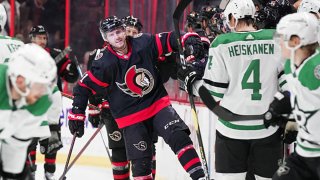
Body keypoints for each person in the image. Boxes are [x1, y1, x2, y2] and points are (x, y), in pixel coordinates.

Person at [68, 16, 206, 180]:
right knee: (141, 166)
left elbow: (169, 39)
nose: (117, 37)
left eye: (119, 31)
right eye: (111, 34)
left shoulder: (143, 42)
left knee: (179, 138)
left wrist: (188, 39)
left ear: (124, 30)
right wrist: (77, 113)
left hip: (157, 105)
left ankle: (201, 177)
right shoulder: (104, 62)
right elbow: (83, 87)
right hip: (130, 117)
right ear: (105, 38)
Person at [178, 0, 288, 179]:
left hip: (231, 130)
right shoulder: (277, 38)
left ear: (232, 17)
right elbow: (289, 85)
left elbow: (213, 93)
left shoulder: (222, 43)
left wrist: (191, 82)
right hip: (268, 128)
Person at [264, 12, 320, 180]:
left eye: (283, 38)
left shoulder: (315, 69)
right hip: (303, 154)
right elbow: (300, 95)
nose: (279, 43)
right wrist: (281, 107)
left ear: (296, 41)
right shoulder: (290, 65)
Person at [25, 25, 79, 180]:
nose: (42, 40)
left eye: (44, 38)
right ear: (31, 38)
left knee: (52, 141)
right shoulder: (23, 55)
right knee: (30, 142)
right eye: (38, 37)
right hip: (29, 107)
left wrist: (73, 68)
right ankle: (31, 173)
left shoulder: (55, 55)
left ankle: (50, 174)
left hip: (51, 108)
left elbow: (70, 77)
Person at [0, 43, 57, 180]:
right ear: (20, 80)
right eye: (40, 85)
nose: (43, 91)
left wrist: (13, 174)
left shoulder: (40, 102)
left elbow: (17, 144)